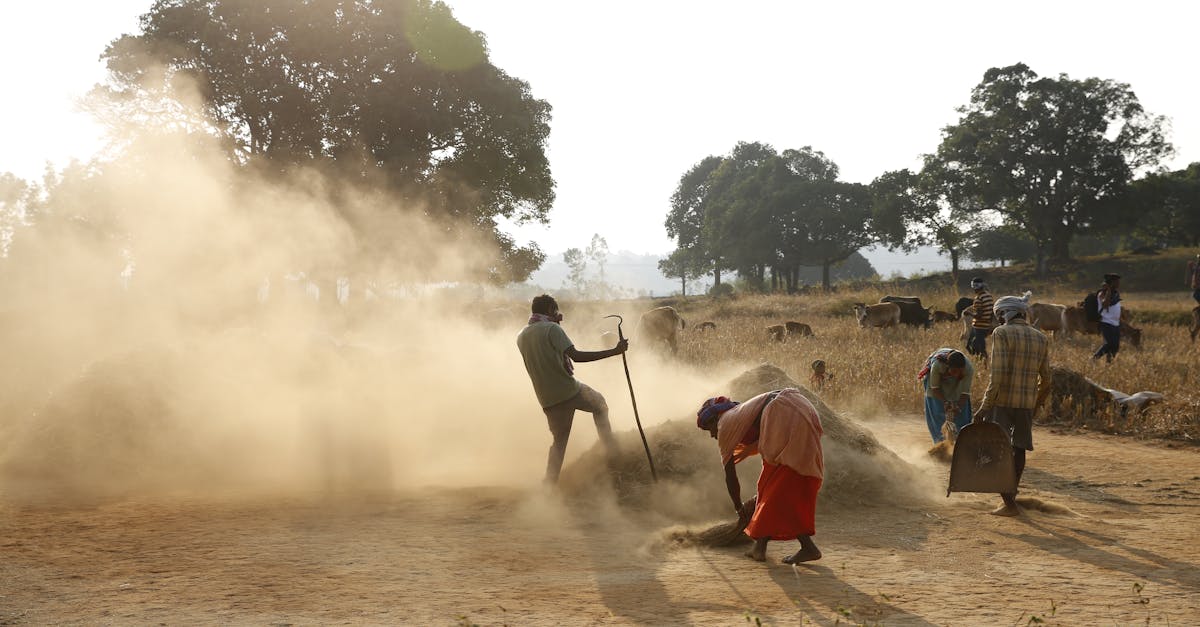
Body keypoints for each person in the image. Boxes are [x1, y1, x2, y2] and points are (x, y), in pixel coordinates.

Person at [696, 388, 824, 564]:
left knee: (773, 485)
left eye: (708, 428)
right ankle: (763, 547)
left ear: (714, 419)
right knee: (777, 485)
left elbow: (730, 475)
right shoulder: (740, 415)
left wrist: (738, 507)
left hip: (783, 411)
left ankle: (799, 548)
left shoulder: (724, 424)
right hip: (802, 407)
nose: (711, 434)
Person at [516, 294, 628, 484]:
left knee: (559, 442)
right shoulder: (551, 329)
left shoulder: (522, 335)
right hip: (568, 390)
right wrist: (614, 352)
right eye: (555, 310)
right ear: (551, 309)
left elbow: (548, 354)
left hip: (546, 398)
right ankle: (612, 454)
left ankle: (549, 486)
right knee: (600, 404)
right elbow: (576, 356)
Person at [972, 295, 1051, 517]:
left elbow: (997, 376)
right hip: (1026, 404)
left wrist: (985, 407)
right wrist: (1036, 404)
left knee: (999, 449)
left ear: (1003, 313)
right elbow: (1047, 379)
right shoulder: (1040, 337)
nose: (998, 320)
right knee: (1019, 449)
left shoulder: (1002, 333)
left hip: (1003, 402)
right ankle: (1011, 498)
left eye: (998, 315)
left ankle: (1009, 504)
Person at [918, 348, 974, 444]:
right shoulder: (937, 365)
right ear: (947, 367)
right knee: (937, 414)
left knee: (962, 417)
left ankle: (961, 445)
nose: (956, 375)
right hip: (936, 386)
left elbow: (964, 394)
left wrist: (958, 407)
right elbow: (935, 388)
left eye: (958, 372)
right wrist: (945, 402)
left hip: (959, 383)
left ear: (962, 369)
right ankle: (941, 445)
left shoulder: (968, 369)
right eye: (953, 371)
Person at [1092, 273, 1122, 363]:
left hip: (1115, 323)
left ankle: (1109, 362)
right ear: (1111, 282)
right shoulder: (1102, 293)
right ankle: (1094, 359)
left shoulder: (1116, 294)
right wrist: (1108, 290)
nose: (1118, 284)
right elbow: (1105, 305)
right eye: (1116, 281)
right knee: (1109, 343)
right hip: (1106, 322)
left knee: (1115, 345)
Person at [967, 277, 995, 367]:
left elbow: (978, 315)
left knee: (976, 347)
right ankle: (979, 361)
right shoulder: (989, 296)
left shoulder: (979, 298)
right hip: (985, 326)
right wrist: (989, 324)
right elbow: (991, 312)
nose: (974, 289)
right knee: (976, 345)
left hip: (978, 326)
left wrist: (969, 313)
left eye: (974, 287)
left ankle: (983, 364)